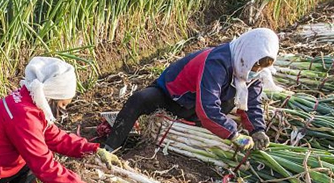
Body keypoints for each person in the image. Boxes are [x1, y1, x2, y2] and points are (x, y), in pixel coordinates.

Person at [103, 28, 279, 154]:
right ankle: (110, 149)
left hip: (193, 106)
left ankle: (188, 128)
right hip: (172, 97)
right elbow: (207, 108)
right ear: (247, 51)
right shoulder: (217, 62)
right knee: (139, 99)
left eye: (262, 66)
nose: (256, 69)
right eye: (256, 63)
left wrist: (257, 130)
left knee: (230, 101)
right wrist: (234, 135)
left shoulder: (252, 71)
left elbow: (252, 103)